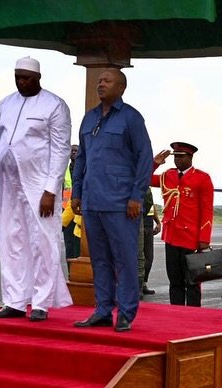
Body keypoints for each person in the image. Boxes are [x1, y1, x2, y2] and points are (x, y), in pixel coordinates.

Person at [0, 56, 73, 322]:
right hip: (8, 183)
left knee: (42, 241)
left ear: (38, 78)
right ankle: (15, 301)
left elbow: (60, 149)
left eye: (27, 78)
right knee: (10, 240)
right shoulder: (5, 103)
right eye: (18, 78)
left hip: (39, 186)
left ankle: (42, 302)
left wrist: (51, 189)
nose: (22, 83)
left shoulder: (54, 105)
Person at [72, 68, 153, 332]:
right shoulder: (89, 119)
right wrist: (77, 193)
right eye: (99, 81)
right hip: (93, 202)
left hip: (121, 204)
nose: (100, 84)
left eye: (107, 81)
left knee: (125, 259)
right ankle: (103, 309)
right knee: (100, 259)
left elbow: (143, 158)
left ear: (121, 87)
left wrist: (136, 196)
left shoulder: (131, 118)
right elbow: (81, 158)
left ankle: (127, 311)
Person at [151, 142, 215, 307]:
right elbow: (143, 178)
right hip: (172, 236)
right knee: (175, 281)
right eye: (175, 157)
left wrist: (204, 238)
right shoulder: (168, 176)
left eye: (181, 156)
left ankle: (193, 316)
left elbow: (207, 211)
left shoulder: (202, 178)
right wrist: (155, 163)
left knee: (193, 282)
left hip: (191, 238)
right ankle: (176, 314)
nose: (177, 160)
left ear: (190, 157)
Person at [140, 187, 161, 296]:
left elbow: (151, 206)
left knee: (149, 257)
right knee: (140, 258)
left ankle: (143, 283)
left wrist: (157, 222)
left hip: (149, 225)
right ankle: (137, 286)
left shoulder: (147, 189)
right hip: (139, 225)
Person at [62, 144, 80, 266]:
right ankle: (71, 274)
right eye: (71, 150)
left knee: (78, 247)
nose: (73, 152)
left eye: (76, 150)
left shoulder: (84, 168)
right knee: (69, 246)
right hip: (67, 211)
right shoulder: (64, 171)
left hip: (79, 213)